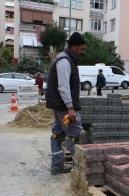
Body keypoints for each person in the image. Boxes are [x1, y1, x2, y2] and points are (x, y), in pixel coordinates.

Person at [45, 32, 86, 175]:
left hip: (59, 106)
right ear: (74, 47)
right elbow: (63, 86)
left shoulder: (67, 59)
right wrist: (71, 108)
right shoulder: (64, 61)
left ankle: (57, 167)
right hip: (64, 107)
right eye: (81, 49)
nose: (83, 52)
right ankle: (80, 170)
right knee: (76, 135)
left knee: (57, 135)